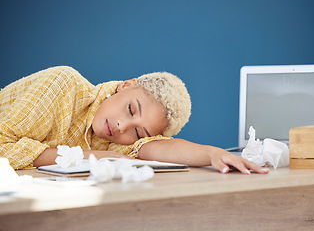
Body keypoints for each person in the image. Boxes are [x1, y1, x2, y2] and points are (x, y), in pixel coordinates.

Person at [0, 66, 269, 174]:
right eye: (131, 109)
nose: (121, 128)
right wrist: (90, 156)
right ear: (125, 85)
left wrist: (213, 154)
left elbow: (157, 149)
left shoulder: (114, 141)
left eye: (138, 132)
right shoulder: (62, 84)